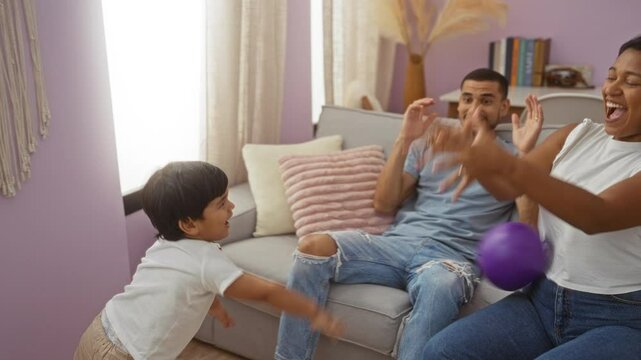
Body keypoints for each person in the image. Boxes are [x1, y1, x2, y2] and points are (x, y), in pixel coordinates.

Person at [274, 68, 543, 360]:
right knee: (312, 247)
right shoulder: (428, 144)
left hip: (449, 260)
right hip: (394, 245)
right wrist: (405, 138)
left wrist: (526, 156)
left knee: (441, 286)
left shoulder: (513, 158)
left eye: (486, 100)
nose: (474, 109)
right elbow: (384, 204)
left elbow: (527, 229)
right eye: (467, 99)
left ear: (504, 107)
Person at [422, 36, 641, 359]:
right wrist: (478, 161)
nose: (612, 89)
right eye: (611, 76)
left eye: (632, 81)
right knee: (440, 352)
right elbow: (507, 188)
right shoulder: (575, 134)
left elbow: (596, 215)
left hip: (619, 318)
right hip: (541, 301)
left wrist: (505, 163)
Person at [73, 161, 342, 360]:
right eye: (222, 203)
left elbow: (185, 285)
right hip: (123, 354)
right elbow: (269, 292)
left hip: (101, 328)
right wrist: (313, 311)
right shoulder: (207, 261)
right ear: (189, 224)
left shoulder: (165, 244)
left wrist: (215, 307)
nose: (232, 207)